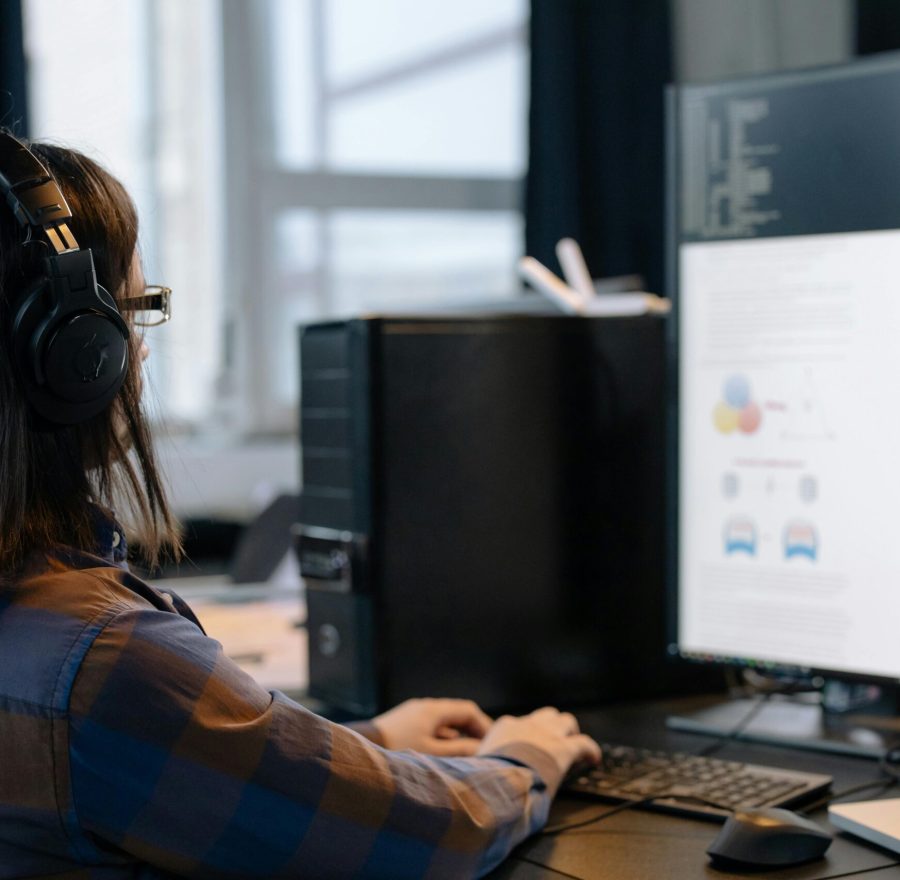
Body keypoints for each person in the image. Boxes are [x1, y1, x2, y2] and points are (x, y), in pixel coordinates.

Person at [0, 131, 601, 879]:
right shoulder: (98, 659)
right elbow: (434, 838)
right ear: (69, 351)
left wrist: (369, 741)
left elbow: (186, 777)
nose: (140, 352)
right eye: (132, 311)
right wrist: (527, 759)